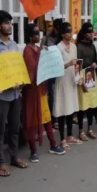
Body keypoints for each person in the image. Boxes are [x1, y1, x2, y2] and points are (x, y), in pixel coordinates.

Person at [0, 10, 27, 177]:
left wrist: (22, 80)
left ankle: (14, 157)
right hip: (1, 96)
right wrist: (0, 80)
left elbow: (18, 68)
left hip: (16, 95)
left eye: (10, 23)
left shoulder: (14, 45)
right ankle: (0, 163)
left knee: (15, 128)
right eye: (6, 23)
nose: (9, 25)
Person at [23, 24, 65, 162]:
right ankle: (33, 151)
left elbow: (46, 66)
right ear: (29, 36)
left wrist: (47, 54)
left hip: (41, 90)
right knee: (32, 120)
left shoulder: (41, 49)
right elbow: (31, 72)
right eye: (35, 33)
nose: (38, 35)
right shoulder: (27, 51)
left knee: (46, 117)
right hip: (31, 92)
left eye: (39, 32)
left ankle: (53, 144)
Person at [53, 22, 82, 150]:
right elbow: (55, 67)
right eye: (68, 32)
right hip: (62, 81)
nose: (70, 34)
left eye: (71, 32)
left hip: (71, 80)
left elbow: (77, 64)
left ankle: (70, 136)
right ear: (62, 33)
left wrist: (78, 76)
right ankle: (62, 139)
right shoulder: (57, 48)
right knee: (62, 109)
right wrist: (67, 64)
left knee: (70, 109)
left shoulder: (74, 47)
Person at [76, 22, 97, 140]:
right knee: (82, 106)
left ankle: (89, 128)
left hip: (92, 76)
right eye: (89, 32)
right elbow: (78, 67)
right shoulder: (79, 47)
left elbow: (95, 60)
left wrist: (96, 63)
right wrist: (81, 82)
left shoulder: (92, 46)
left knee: (91, 104)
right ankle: (80, 131)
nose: (91, 34)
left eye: (92, 32)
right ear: (84, 33)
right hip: (83, 78)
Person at [41, 18, 62, 129]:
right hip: (50, 72)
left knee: (60, 95)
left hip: (60, 71)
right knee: (52, 96)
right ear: (53, 27)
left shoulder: (61, 39)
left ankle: (60, 116)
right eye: (57, 28)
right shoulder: (46, 38)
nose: (58, 31)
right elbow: (40, 52)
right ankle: (53, 120)